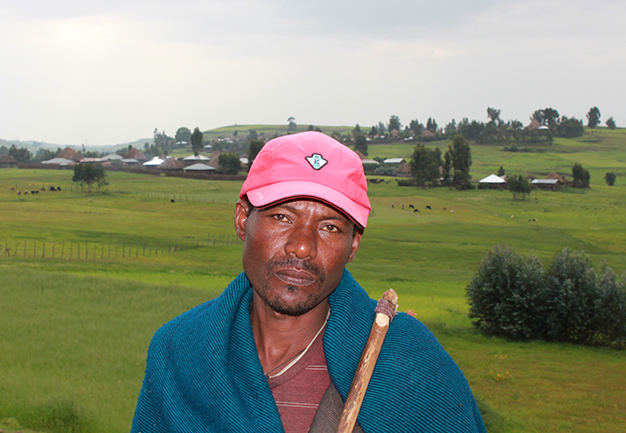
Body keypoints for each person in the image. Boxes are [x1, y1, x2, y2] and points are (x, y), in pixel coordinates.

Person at [131, 132, 486, 433]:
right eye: (283, 216)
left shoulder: (408, 360)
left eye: (330, 227)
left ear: (353, 246)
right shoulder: (180, 351)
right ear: (242, 219)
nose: (302, 245)